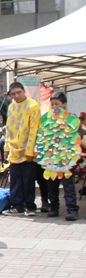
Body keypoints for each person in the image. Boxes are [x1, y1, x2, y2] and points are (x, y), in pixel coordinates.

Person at [2, 82, 41, 216]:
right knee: (15, 180)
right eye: (13, 94)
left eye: (19, 92)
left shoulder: (33, 106)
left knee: (28, 180)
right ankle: (17, 205)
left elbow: (33, 130)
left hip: (27, 150)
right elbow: (9, 128)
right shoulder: (11, 106)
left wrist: (30, 151)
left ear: (24, 91)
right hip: (14, 150)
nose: (16, 96)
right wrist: (6, 147)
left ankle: (30, 206)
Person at [44, 92, 80, 221]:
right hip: (52, 157)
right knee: (52, 184)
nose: (54, 107)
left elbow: (75, 137)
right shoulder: (48, 119)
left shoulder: (71, 118)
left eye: (57, 104)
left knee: (67, 184)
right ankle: (54, 207)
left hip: (66, 158)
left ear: (64, 104)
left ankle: (72, 209)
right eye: (52, 104)